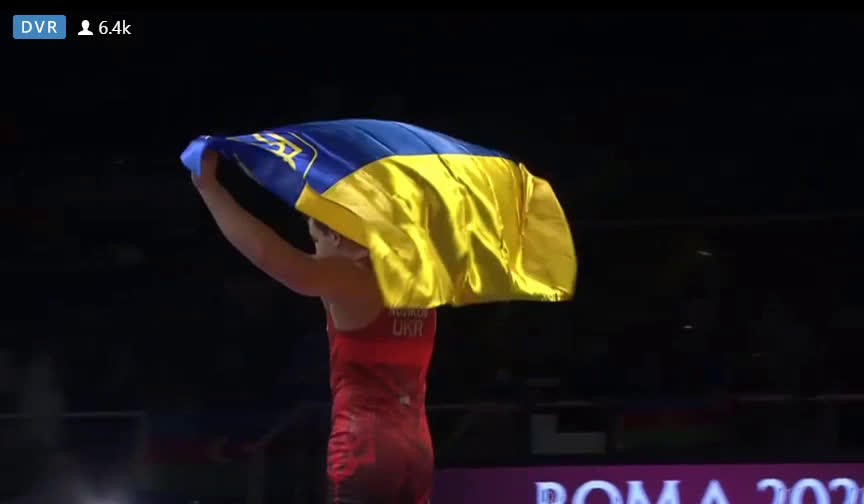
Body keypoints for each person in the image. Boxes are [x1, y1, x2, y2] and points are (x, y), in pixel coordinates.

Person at [191, 149, 435, 504]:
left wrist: (209, 188)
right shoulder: (418, 279)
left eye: (317, 242)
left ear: (335, 236)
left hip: (366, 444)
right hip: (416, 446)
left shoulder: (352, 277)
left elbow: (270, 255)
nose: (316, 253)